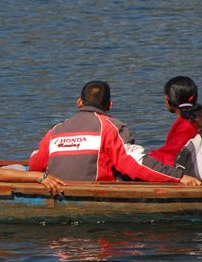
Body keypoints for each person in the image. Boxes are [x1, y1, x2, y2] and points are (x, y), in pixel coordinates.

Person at [29, 80, 201, 186]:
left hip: (59, 190)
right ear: (109, 105)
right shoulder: (111, 127)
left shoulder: (55, 131)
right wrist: (178, 177)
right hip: (93, 193)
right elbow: (134, 163)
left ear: (79, 102)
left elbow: (35, 165)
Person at [148, 76, 202, 165]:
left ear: (167, 99)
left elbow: (171, 158)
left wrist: (141, 159)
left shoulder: (185, 127)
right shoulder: (194, 121)